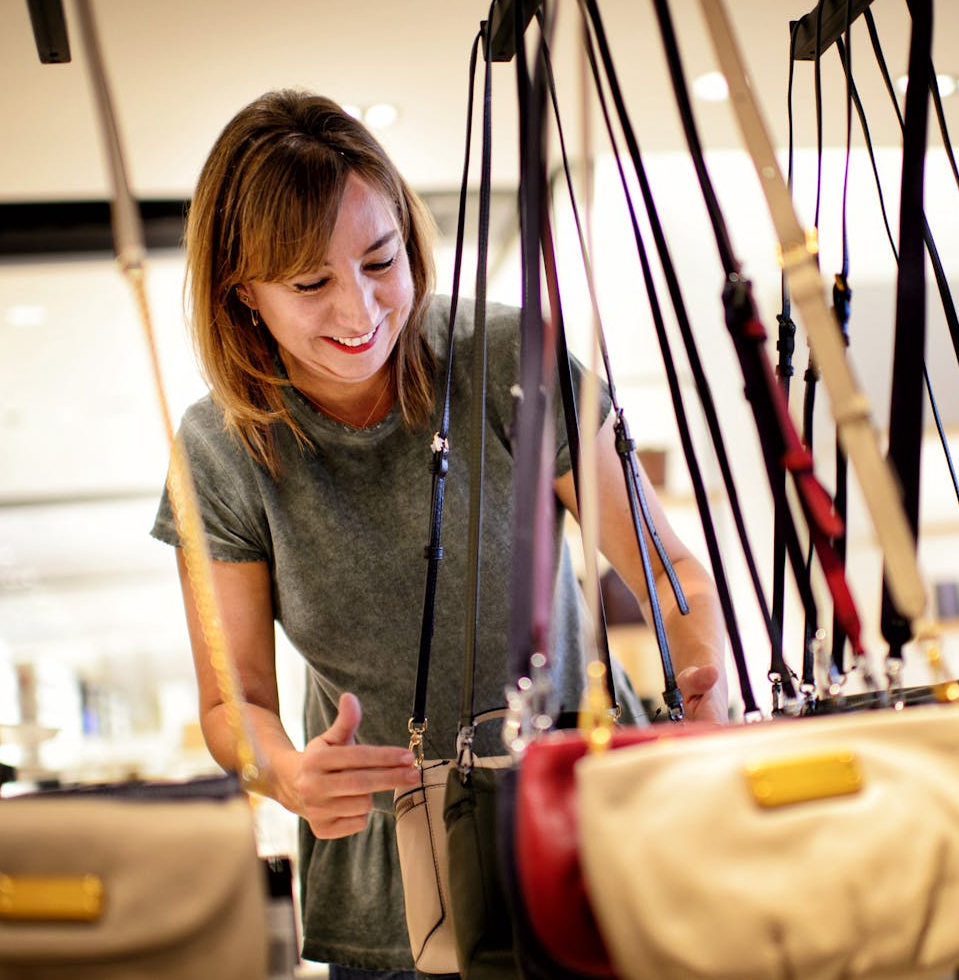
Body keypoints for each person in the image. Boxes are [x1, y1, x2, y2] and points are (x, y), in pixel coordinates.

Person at [151, 89, 727, 978]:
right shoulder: (221, 450)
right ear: (244, 297)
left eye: (382, 259)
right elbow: (235, 705)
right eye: (310, 284)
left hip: (580, 819)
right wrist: (290, 774)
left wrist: (705, 695)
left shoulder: (506, 361)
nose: (361, 309)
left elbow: (669, 570)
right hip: (392, 875)